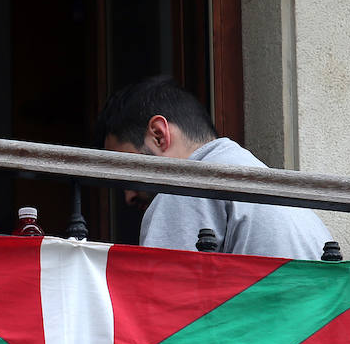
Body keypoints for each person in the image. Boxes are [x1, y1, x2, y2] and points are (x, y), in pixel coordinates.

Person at [95, 76, 331, 260]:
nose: (128, 196)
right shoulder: (263, 180)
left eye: (127, 170)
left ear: (159, 135)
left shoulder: (183, 190)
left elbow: (164, 306)